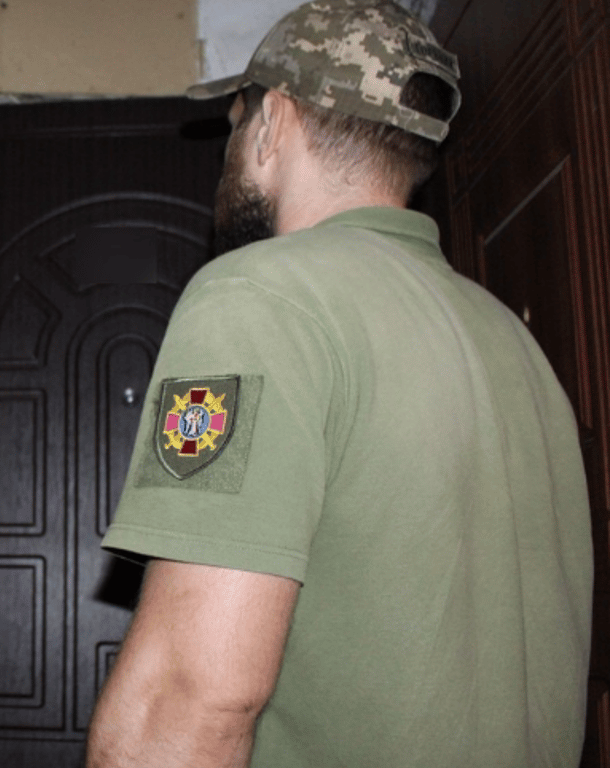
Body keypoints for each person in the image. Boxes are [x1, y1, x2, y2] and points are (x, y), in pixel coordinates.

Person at [86, 2, 592, 766]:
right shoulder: (517, 346)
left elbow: (189, 697)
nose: (232, 146)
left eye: (237, 121)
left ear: (273, 123)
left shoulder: (258, 296)